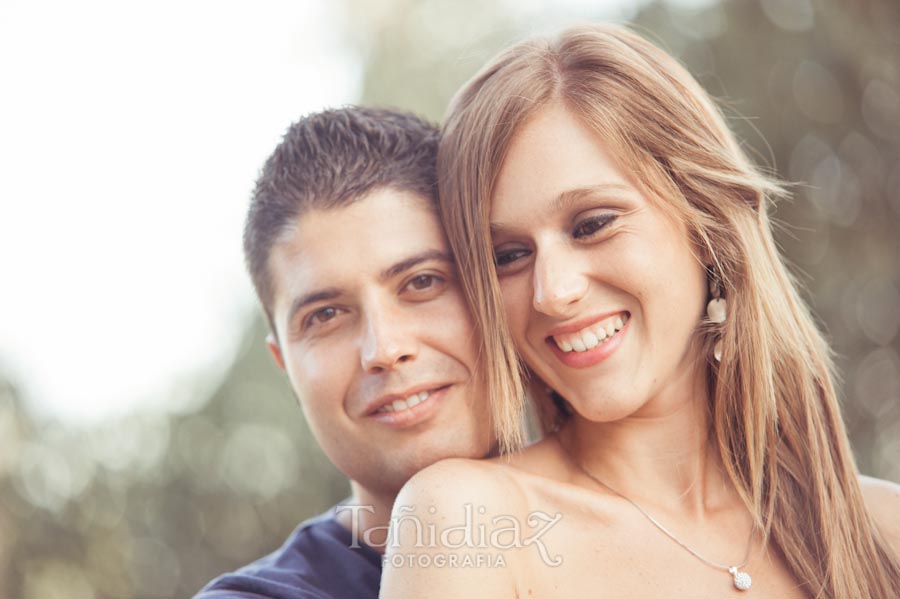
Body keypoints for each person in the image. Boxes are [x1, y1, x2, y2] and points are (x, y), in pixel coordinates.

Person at [380, 24, 900, 598]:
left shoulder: (882, 530)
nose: (552, 292)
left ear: (707, 223)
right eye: (507, 256)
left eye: (594, 224)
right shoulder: (466, 523)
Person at [194, 106, 500, 599]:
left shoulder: (651, 527)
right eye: (326, 316)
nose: (384, 348)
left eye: (422, 282)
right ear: (285, 368)